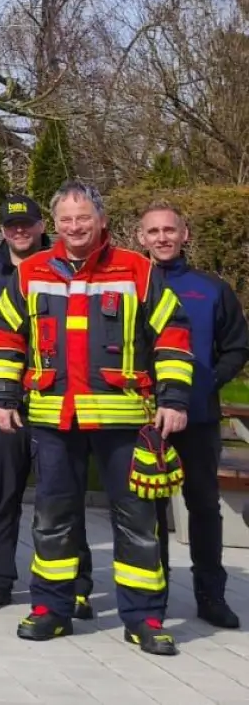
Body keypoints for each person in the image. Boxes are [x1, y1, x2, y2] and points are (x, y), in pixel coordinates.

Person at [0, 180, 193, 656]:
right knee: (52, 518)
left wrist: (175, 400)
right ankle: (51, 610)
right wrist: (1, 395)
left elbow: (172, 337)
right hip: (53, 418)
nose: (75, 227)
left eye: (84, 218)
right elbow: (5, 337)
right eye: (66, 219)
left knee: (138, 520)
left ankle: (144, 618)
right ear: (54, 225)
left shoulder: (137, 270)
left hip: (125, 420)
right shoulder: (31, 271)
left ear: (100, 220)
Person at [0, 195, 94, 614]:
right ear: (1, 229)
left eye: (26, 224)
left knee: (63, 497)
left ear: (41, 225)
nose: (19, 231)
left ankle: (74, 585)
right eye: (12, 225)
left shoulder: (66, 271)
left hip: (55, 401)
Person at [138, 200, 246, 630]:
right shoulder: (131, 285)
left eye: (170, 230)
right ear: (140, 238)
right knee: (147, 510)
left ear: (185, 235)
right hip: (143, 417)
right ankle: (152, 596)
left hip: (197, 416)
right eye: (153, 231)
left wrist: (203, 384)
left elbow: (237, 346)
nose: (162, 238)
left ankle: (210, 595)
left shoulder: (212, 289)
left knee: (203, 506)